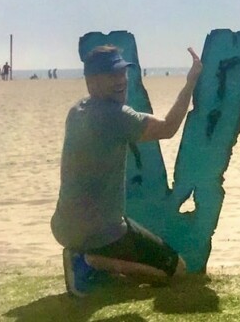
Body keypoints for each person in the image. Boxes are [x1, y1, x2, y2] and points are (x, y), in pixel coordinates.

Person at [50, 45, 202, 296]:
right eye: (111, 75)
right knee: (175, 271)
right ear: (91, 81)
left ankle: (89, 261)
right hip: (101, 232)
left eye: (122, 73)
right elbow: (167, 128)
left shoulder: (77, 111)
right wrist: (191, 81)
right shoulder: (116, 116)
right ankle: (87, 262)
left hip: (64, 227)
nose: (120, 80)